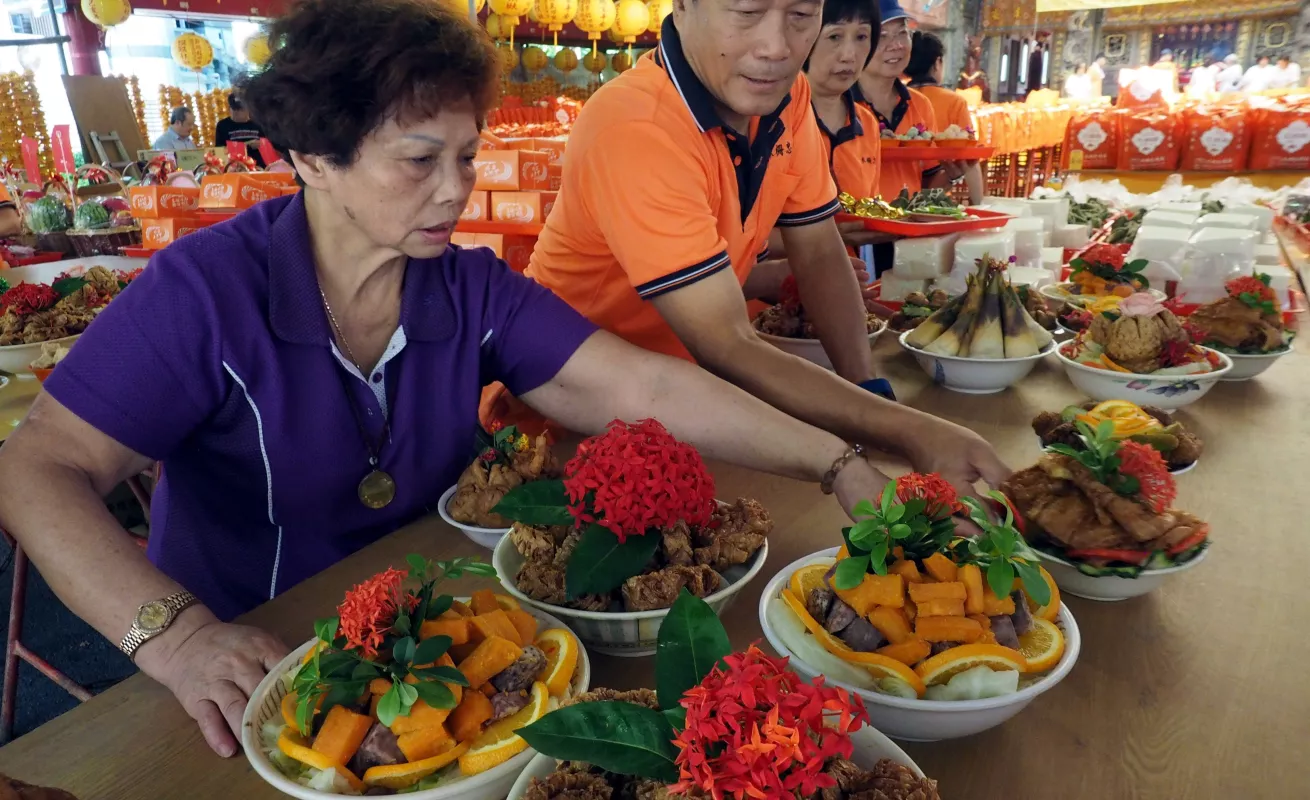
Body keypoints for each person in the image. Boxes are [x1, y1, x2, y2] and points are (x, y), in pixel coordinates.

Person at [0, 0, 938, 760]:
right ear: (314, 158)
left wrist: (837, 462)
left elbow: (644, 389)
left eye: (465, 156)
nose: (454, 191)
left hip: (440, 641)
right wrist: (177, 638)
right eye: (418, 161)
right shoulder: (203, 293)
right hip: (252, 663)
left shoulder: (463, 283)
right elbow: (37, 467)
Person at [495, 0, 1006, 475]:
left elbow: (819, 251)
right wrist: (906, 431)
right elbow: (727, 341)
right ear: (683, 5)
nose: (777, 47)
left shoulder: (787, 98)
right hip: (563, 427)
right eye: (746, 10)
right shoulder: (636, 126)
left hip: (699, 406)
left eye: (802, 14)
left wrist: (866, 390)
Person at [855, 0, 961, 275]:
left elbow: (927, 185)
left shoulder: (919, 105)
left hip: (910, 236)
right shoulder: (840, 104)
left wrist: (951, 175)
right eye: (882, 36)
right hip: (858, 238)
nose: (896, 45)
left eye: (902, 33)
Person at [903, 30, 982, 204]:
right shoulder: (954, 102)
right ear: (937, 62)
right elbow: (970, 159)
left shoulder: (894, 99)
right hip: (933, 195)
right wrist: (979, 205)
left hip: (896, 191)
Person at [214, 93, 265, 165]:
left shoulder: (258, 123)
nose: (236, 113)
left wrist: (261, 144)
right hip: (233, 167)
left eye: (240, 110)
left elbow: (267, 145)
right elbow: (220, 151)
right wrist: (246, 145)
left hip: (257, 166)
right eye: (234, 109)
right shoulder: (222, 125)